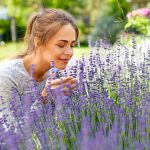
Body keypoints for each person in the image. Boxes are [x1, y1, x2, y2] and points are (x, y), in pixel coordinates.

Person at [0, 8, 78, 130]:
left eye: (72, 45)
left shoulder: (56, 75)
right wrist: (44, 99)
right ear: (38, 41)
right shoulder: (6, 77)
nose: (69, 52)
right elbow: (11, 137)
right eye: (61, 45)